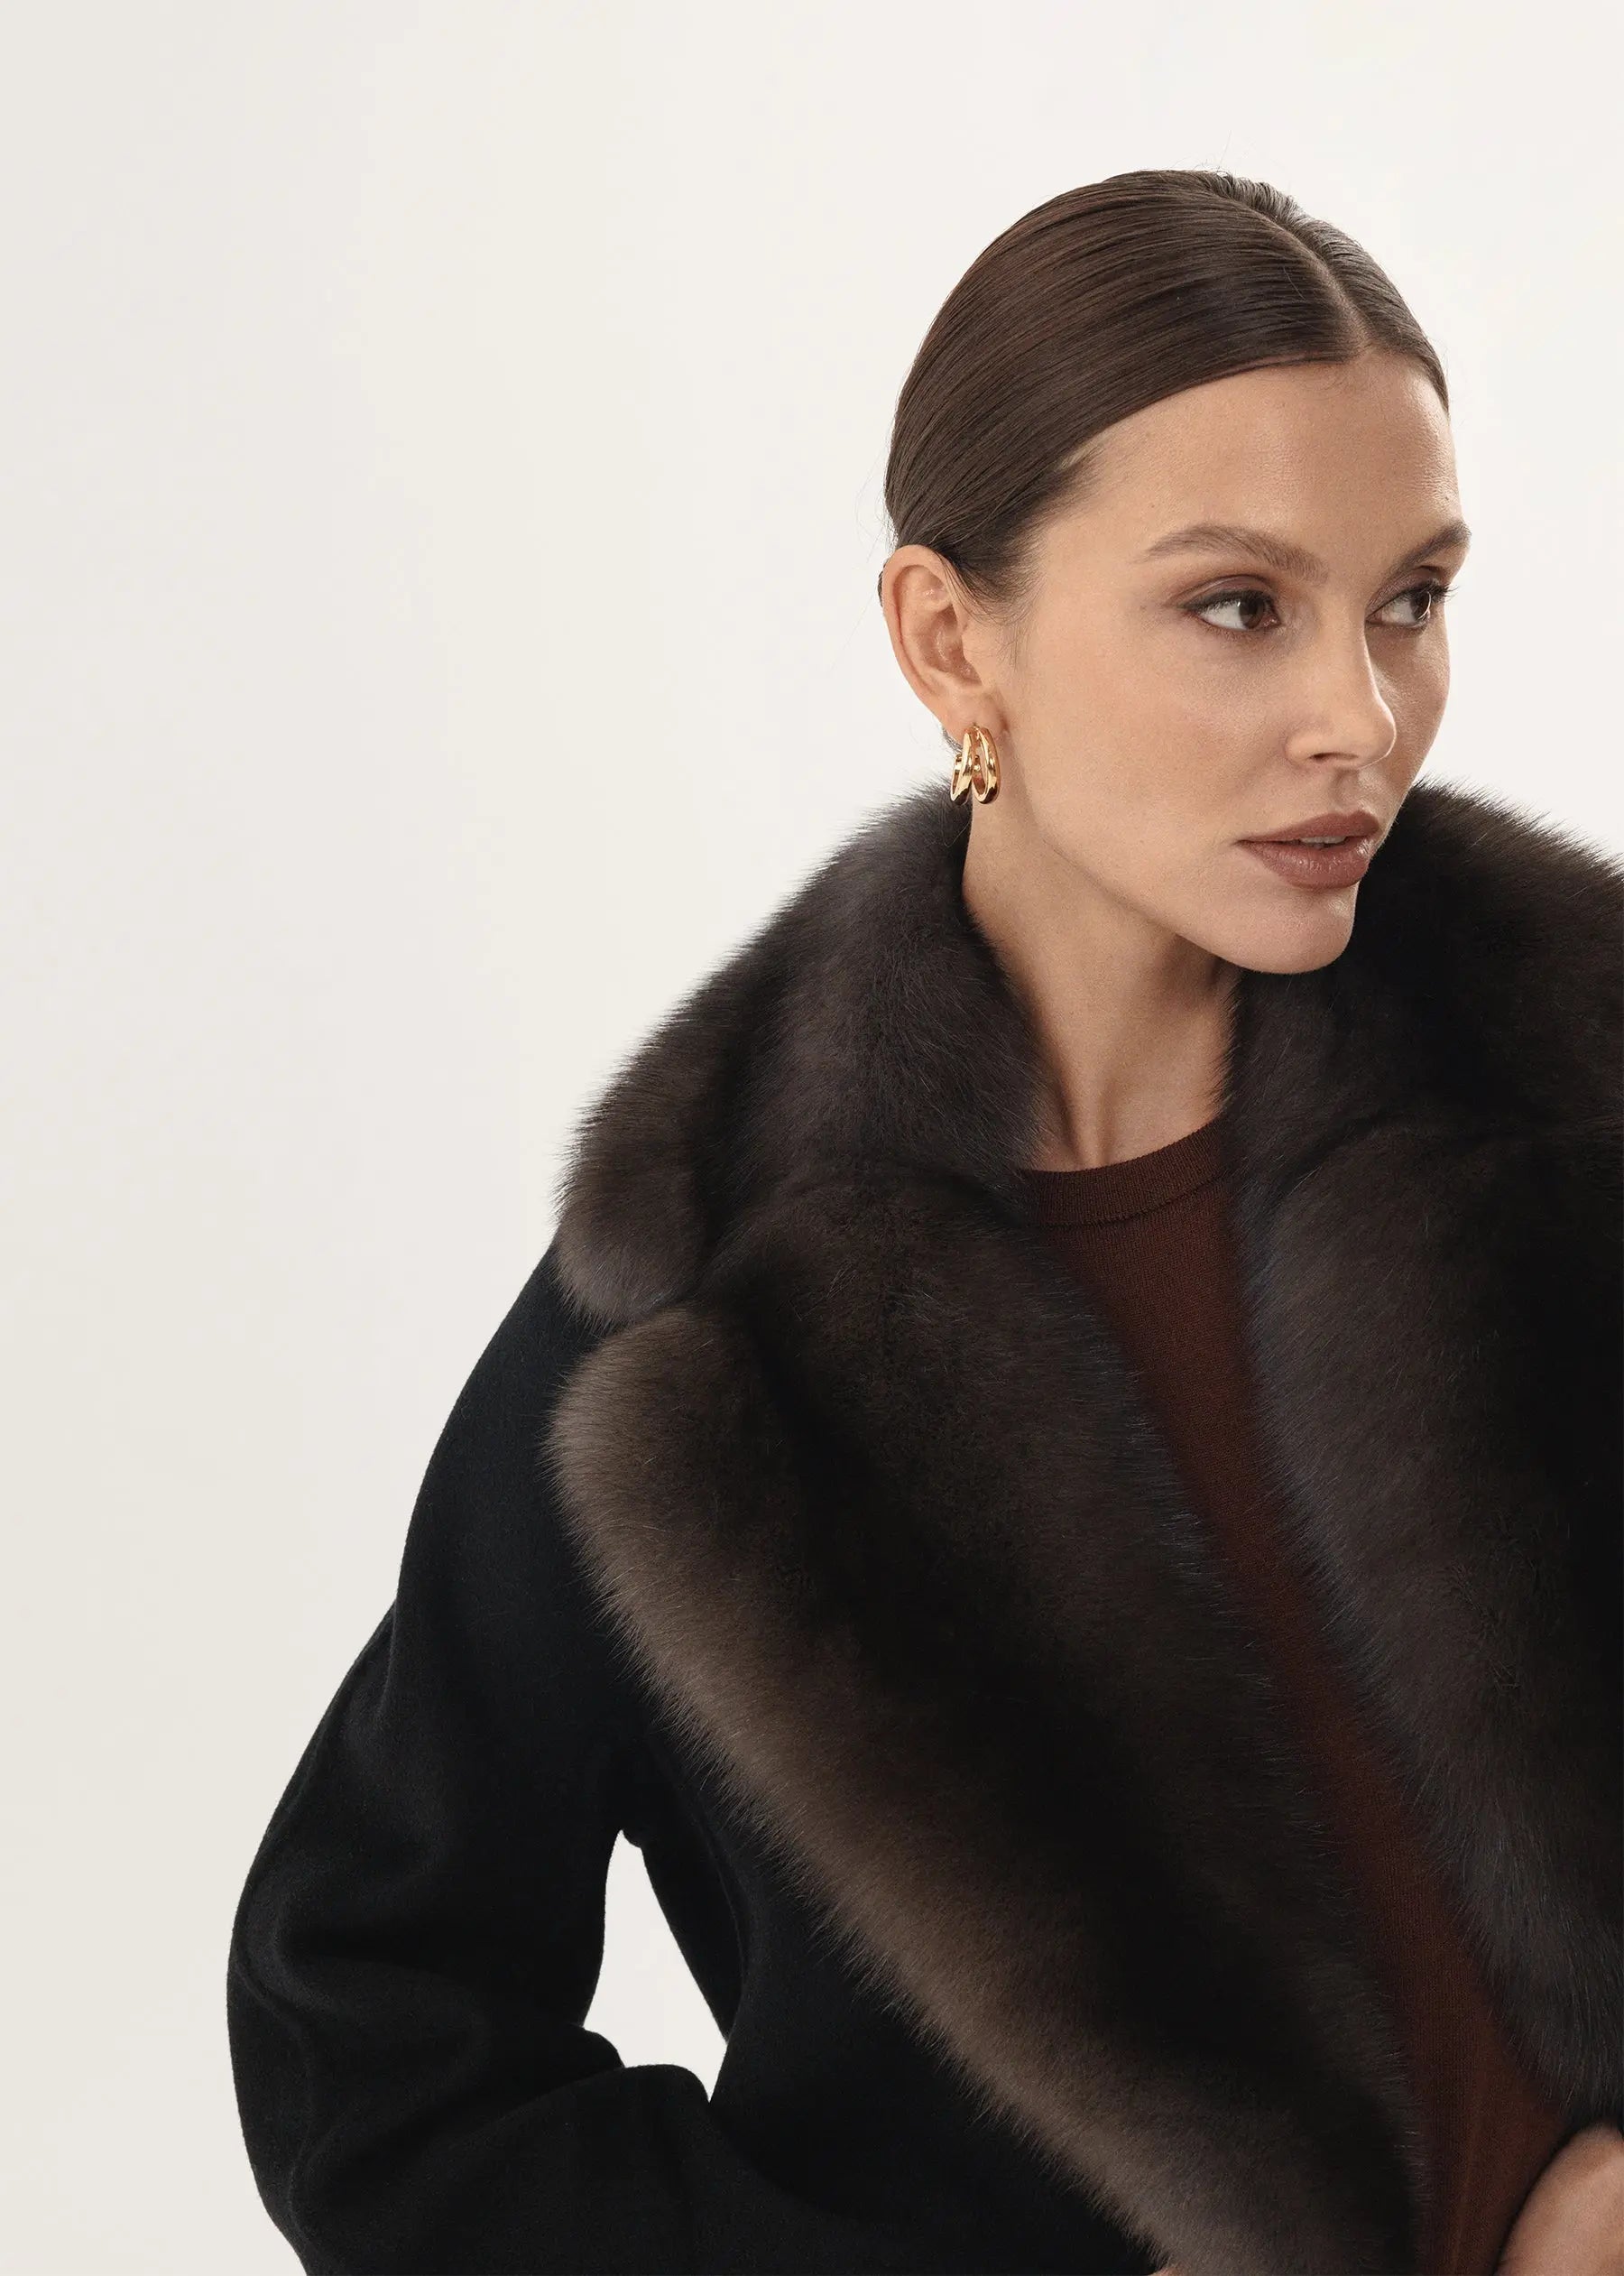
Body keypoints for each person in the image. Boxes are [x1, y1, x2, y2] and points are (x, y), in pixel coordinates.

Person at [227, 170, 1622, 2275]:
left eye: (1410, 598)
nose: (1362, 711)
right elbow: (375, 2048)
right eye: (1239, 606)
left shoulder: (1573, 1089)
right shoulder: (704, 1325)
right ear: (951, 638)